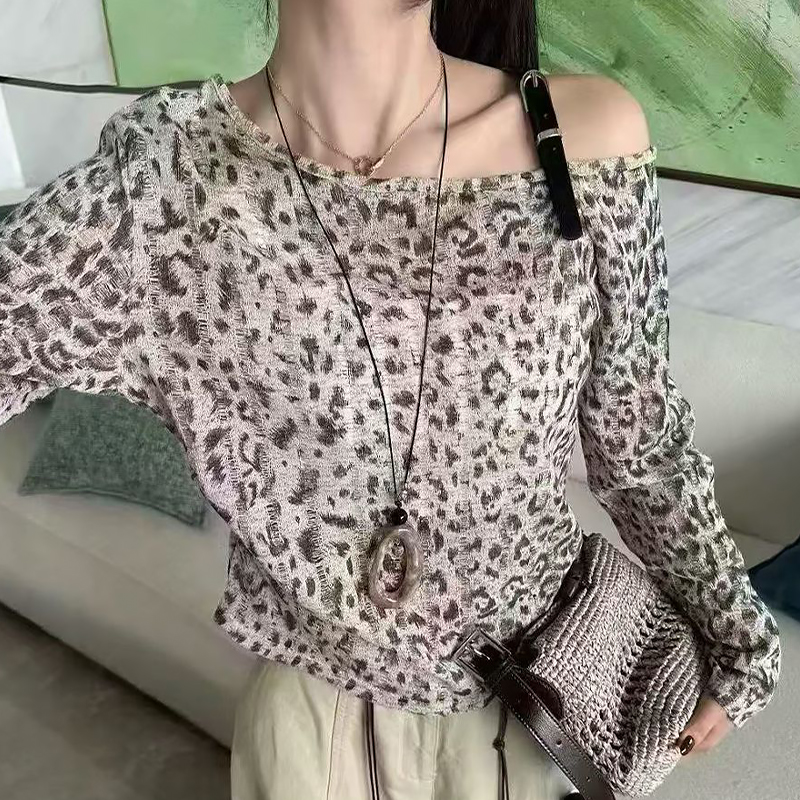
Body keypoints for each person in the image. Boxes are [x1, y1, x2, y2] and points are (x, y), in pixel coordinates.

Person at [0, 1, 781, 798]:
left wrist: (739, 635)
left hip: (538, 708)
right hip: (311, 736)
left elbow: (637, 440)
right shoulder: (168, 179)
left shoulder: (582, 140)